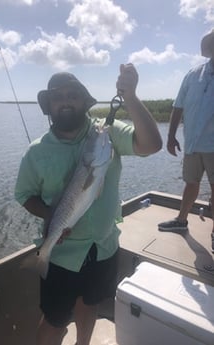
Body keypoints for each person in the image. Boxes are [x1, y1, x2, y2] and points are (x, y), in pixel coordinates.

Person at [14, 63, 162, 345]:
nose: (66, 101)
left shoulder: (104, 133)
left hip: (103, 246)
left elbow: (152, 144)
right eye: (58, 97)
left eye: (73, 94)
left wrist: (130, 97)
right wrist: (52, 216)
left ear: (84, 100)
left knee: (90, 303)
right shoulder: (36, 152)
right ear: (50, 106)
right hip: (61, 253)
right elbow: (24, 196)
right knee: (55, 319)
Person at [158, 29, 214, 253]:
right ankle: (181, 221)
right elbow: (178, 106)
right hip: (192, 145)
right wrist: (171, 136)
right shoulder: (193, 74)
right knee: (191, 183)